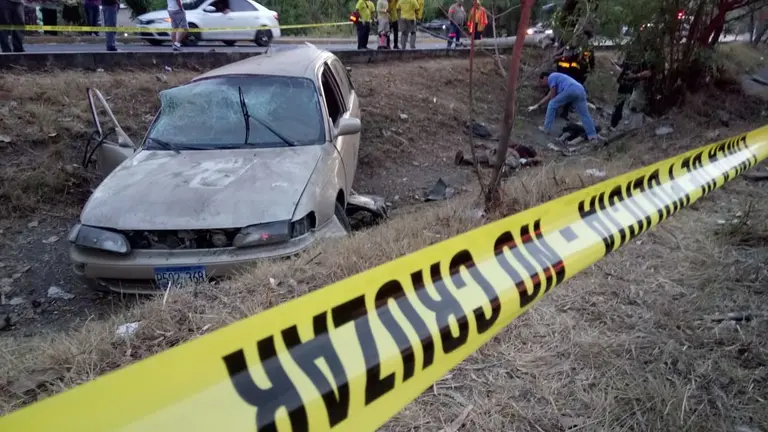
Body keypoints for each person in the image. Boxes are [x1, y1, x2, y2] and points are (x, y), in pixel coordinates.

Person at [528, 71, 599, 142]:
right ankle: (592, 136)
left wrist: (552, 110)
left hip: (571, 89)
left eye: (541, 81)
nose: (541, 84)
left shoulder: (551, 77)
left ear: (545, 77)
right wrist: (536, 106)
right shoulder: (559, 80)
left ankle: (546, 129)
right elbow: (548, 96)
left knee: (552, 104)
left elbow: (552, 97)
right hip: (581, 90)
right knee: (584, 115)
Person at [611, 55, 652, 130]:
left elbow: (649, 72)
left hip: (635, 86)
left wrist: (635, 76)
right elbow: (624, 66)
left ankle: (633, 128)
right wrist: (616, 64)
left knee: (633, 107)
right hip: (624, 84)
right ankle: (613, 126)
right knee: (618, 107)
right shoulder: (630, 54)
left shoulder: (645, 57)